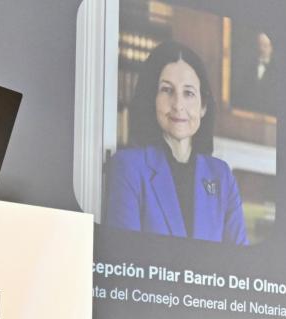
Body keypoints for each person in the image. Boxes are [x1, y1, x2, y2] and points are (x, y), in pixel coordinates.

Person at [104, 41, 248, 245]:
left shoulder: (222, 176)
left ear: (203, 107)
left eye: (188, 93)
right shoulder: (128, 168)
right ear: (152, 99)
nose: (178, 105)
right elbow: (124, 259)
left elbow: (241, 267)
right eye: (166, 90)